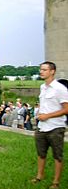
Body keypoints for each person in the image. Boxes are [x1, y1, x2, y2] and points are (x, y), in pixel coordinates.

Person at [32, 61, 68, 189]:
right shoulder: (43, 87)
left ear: (52, 71)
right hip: (42, 127)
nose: (41, 71)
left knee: (57, 155)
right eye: (41, 69)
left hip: (55, 127)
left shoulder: (60, 89)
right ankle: (39, 176)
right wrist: (41, 114)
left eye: (44, 69)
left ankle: (56, 183)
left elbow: (66, 109)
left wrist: (48, 116)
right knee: (41, 153)